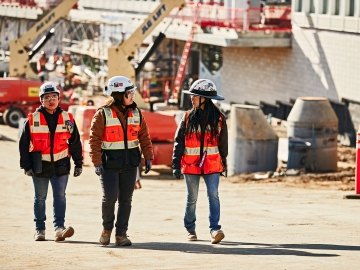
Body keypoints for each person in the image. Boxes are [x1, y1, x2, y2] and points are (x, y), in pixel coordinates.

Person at [89, 75, 154, 246]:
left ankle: (121, 234)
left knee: (126, 200)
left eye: (132, 92)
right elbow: (94, 140)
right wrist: (96, 162)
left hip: (130, 164)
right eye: (129, 93)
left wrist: (148, 157)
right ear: (118, 94)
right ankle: (106, 229)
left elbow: (144, 137)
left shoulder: (136, 112)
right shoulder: (102, 114)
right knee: (110, 198)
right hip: (109, 165)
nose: (132, 95)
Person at [19, 81, 83, 242]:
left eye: (54, 96)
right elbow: (23, 143)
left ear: (59, 98)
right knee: (40, 198)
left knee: (60, 196)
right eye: (47, 97)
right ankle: (39, 229)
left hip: (61, 164)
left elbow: (75, 141)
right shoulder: (32, 119)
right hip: (40, 165)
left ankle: (59, 229)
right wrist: (26, 165)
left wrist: (79, 162)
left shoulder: (67, 118)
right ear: (41, 100)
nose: (51, 100)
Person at [172, 79, 228, 244]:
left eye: (195, 96)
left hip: (212, 165)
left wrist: (223, 163)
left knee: (214, 195)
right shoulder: (188, 117)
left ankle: (215, 229)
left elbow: (223, 144)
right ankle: (190, 229)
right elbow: (179, 141)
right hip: (191, 165)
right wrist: (175, 164)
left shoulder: (218, 118)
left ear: (204, 98)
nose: (192, 99)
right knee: (192, 198)